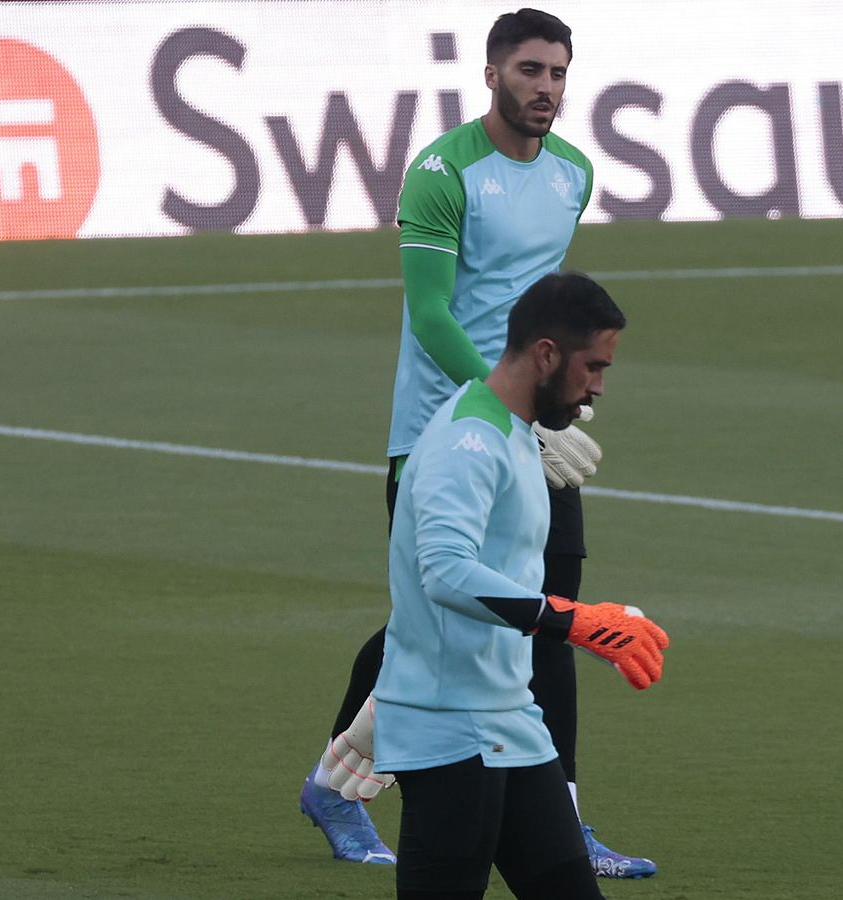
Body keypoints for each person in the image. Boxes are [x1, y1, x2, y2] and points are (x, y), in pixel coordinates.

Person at [300, 8, 656, 878]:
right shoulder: (442, 173)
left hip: (535, 421)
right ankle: (338, 787)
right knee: (430, 619)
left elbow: (539, 308)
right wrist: (502, 418)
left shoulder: (573, 172)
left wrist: (549, 409)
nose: (546, 88)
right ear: (492, 72)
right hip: (444, 430)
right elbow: (431, 314)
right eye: (531, 70)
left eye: (559, 73)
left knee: (550, 615)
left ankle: (560, 817)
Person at [379, 271, 666, 899]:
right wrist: (572, 620)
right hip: (450, 731)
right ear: (545, 354)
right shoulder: (468, 441)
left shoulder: (513, 433)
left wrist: (581, 621)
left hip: (512, 722)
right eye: (592, 366)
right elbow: (445, 572)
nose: (598, 386)